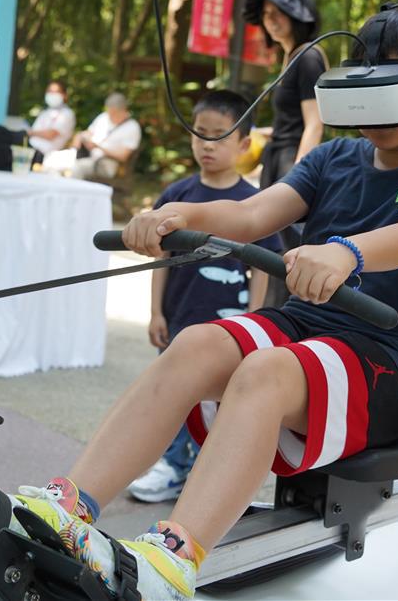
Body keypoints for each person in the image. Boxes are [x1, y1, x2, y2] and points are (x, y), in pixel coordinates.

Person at [0, 3, 398, 600]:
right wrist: (179, 214)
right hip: (304, 328)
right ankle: (69, 508)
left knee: (265, 370)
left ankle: (172, 560)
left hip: (387, 358)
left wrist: (347, 252)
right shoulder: (332, 158)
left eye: (391, 87)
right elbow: (249, 214)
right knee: (197, 341)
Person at [127, 90, 281, 503]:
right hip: (180, 317)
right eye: (200, 134)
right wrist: (155, 312)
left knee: (222, 403)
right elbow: (160, 259)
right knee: (174, 395)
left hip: (230, 328)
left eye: (219, 136)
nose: (207, 145)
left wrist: (254, 319)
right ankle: (172, 466)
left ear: (244, 143)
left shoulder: (256, 202)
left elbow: (264, 266)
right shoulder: (178, 197)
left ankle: (206, 474)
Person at [242, 0, 328, 306]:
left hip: (292, 160)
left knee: (285, 246)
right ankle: (268, 313)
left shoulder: (307, 57)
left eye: (279, 12)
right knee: (273, 243)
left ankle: (284, 317)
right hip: (279, 154)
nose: (272, 20)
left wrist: (299, 175)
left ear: (298, 14)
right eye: (266, 14)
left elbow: (314, 123)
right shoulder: (291, 55)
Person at [71, 92, 141, 181]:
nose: (110, 115)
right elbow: (89, 132)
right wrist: (80, 136)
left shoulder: (132, 127)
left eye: (113, 113)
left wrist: (98, 147)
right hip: (88, 157)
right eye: (109, 111)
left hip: (107, 164)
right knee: (54, 163)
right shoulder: (103, 117)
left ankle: (72, 194)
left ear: (123, 109)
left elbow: (123, 156)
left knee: (77, 168)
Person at [27, 80, 75, 158]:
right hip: (29, 148)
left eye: (56, 92)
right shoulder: (45, 112)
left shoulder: (67, 113)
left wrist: (29, 132)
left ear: (64, 95)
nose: (52, 95)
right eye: (49, 91)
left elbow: (51, 134)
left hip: (43, 154)